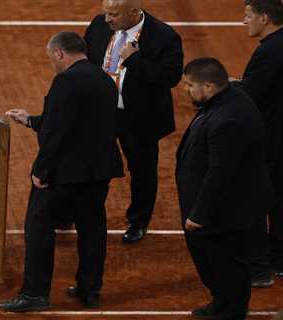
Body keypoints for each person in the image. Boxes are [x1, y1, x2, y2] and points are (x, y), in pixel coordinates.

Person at [0, 32, 123, 312]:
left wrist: (41, 170)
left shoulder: (66, 81)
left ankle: (34, 294)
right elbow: (82, 122)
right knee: (92, 230)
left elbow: (58, 130)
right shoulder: (104, 79)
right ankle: (89, 290)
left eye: (51, 57)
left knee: (38, 227)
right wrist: (30, 120)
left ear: (59, 53)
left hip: (65, 174)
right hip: (98, 172)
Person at [177, 58, 273, 320]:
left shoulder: (228, 118)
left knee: (226, 262)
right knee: (219, 262)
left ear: (208, 86)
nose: (185, 89)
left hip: (224, 210)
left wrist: (199, 214)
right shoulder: (225, 100)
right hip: (224, 206)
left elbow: (221, 174)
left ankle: (231, 310)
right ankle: (223, 302)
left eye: (189, 85)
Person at [84, 0, 183, 243]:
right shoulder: (99, 25)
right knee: (87, 161)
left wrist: (135, 60)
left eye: (114, 15)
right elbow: (87, 59)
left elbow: (171, 77)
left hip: (139, 117)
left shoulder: (164, 36)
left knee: (142, 170)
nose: (107, 19)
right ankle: (73, 211)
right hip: (102, 112)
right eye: (106, 13)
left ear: (133, 12)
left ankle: (138, 220)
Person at [232, 0, 283, 287]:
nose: (243, 21)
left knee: (252, 202)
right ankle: (278, 258)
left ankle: (258, 268)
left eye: (248, 16)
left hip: (270, 140)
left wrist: (229, 89)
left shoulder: (269, 51)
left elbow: (253, 95)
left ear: (264, 18)